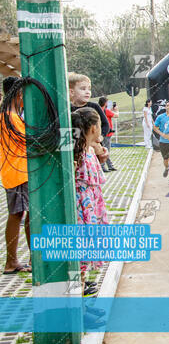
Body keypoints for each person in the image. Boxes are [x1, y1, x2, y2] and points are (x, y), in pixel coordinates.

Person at [71, 107, 108, 297]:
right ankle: (78, 304)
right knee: (80, 259)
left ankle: (82, 299)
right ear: (94, 128)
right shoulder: (77, 155)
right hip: (82, 211)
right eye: (100, 125)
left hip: (91, 208)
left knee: (83, 261)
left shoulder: (88, 151)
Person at [0, 77, 31, 274]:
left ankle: (13, 261)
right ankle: (18, 260)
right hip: (19, 172)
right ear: (19, 95)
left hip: (14, 172)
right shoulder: (10, 118)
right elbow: (29, 141)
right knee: (24, 215)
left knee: (19, 214)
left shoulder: (8, 116)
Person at [68, 73, 109, 164]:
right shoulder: (68, 109)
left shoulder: (94, 106)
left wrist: (100, 136)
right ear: (71, 92)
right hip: (77, 150)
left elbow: (106, 124)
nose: (87, 92)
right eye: (83, 89)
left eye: (89, 89)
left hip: (94, 148)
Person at [153, 100, 169, 185]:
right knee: (165, 160)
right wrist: (161, 134)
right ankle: (166, 167)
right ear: (165, 107)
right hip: (163, 142)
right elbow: (155, 127)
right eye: (167, 105)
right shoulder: (160, 117)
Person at [98, 97, 117, 173]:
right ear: (105, 103)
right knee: (106, 150)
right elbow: (116, 115)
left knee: (104, 149)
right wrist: (116, 110)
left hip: (101, 133)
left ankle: (109, 165)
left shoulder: (99, 111)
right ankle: (103, 166)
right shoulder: (106, 111)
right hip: (107, 133)